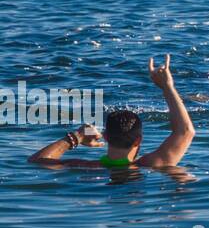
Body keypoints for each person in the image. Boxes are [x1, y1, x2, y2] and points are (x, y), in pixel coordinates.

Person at [28, 56, 194, 169]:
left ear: (105, 136)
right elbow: (185, 131)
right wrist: (167, 86)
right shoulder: (151, 165)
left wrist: (76, 137)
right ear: (138, 140)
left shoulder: (88, 168)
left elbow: (36, 162)